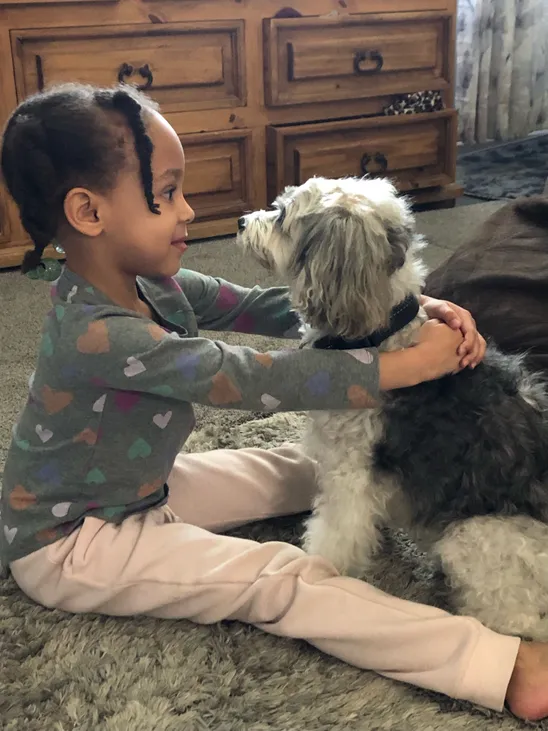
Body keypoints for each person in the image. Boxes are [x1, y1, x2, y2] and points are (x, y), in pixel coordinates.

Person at [0, 83, 546, 722]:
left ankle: (409, 501)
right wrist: (401, 365)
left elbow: (265, 306)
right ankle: (502, 666)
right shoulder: (97, 334)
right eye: (168, 192)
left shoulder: (154, 282)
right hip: (75, 542)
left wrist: (409, 310)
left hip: (134, 487)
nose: (188, 210)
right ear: (90, 213)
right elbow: (254, 378)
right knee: (276, 578)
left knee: (305, 463)